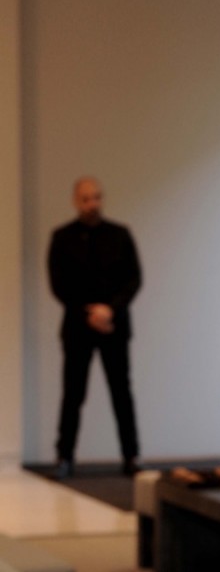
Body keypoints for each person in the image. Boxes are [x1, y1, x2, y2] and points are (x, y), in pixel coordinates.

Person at [47, 176, 141, 478]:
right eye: (86, 199)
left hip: (114, 325)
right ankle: (64, 456)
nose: (92, 204)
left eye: (97, 197)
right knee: (73, 393)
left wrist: (109, 310)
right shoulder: (62, 238)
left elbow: (133, 279)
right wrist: (88, 311)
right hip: (78, 326)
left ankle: (130, 457)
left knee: (121, 392)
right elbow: (58, 283)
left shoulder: (120, 234)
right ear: (76, 201)